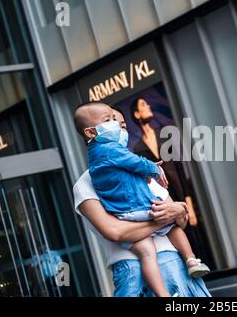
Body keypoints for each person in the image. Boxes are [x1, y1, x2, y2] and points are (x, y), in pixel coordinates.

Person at [74, 102, 210, 297]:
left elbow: (180, 221)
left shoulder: (142, 173)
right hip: (133, 270)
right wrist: (164, 219)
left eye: (122, 125)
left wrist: (179, 211)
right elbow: (116, 232)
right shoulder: (85, 183)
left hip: (176, 265)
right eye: (111, 122)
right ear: (92, 132)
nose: (119, 129)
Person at [131, 98, 214, 263]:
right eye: (143, 105)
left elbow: (179, 166)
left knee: (194, 227)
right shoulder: (137, 148)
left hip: (180, 189)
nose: (148, 106)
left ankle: (204, 262)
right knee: (174, 231)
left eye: (148, 103)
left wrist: (188, 199)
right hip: (162, 195)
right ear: (137, 114)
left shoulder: (164, 133)